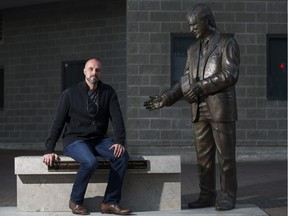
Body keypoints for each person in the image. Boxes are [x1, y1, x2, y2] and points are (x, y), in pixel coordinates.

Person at [144, 3, 240, 211]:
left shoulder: (226, 43)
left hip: (220, 108)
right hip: (198, 109)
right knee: (203, 157)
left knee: (226, 157)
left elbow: (230, 74)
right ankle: (206, 195)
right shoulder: (192, 50)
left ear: (206, 21)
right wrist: (166, 98)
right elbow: (185, 81)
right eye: (190, 25)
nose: (191, 29)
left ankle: (228, 196)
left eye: (194, 25)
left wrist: (200, 87)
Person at [42, 58, 131, 215]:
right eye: (90, 69)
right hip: (75, 140)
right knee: (90, 162)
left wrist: (120, 142)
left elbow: (117, 119)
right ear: (84, 71)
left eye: (97, 70)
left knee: (121, 155)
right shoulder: (70, 93)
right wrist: (49, 149)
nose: (94, 73)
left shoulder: (108, 92)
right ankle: (75, 201)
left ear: (101, 72)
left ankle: (109, 202)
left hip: (98, 140)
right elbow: (58, 122)